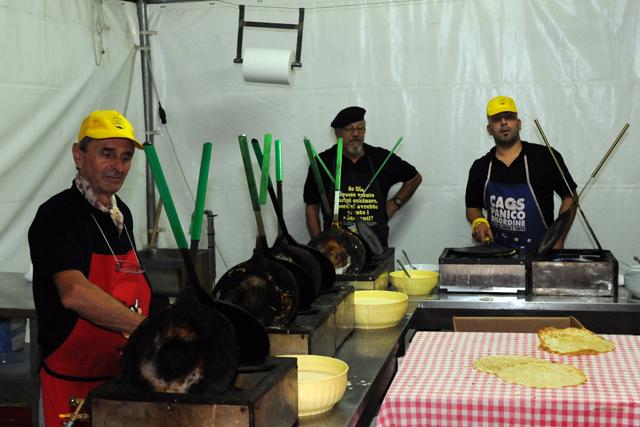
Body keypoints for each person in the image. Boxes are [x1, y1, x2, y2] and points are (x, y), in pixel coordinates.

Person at [28, 110, 151, 426]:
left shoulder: (120, 214)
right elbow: (74, 293)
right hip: (71, 388)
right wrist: (147, 329)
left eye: (125, 157)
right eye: (107, 153)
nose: (118, 166)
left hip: (119, 382)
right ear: (78, 155)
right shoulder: (57, 215)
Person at [465, 96, 577, 253]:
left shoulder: (546, 158)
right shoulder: (480, 167)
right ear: (489, 129)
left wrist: (558, 240)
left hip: (541, 255)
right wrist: (479, 222)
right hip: (497, 256)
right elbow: (472, 207)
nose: (504, 122)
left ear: (519, 123)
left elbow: (570, 197)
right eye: (496, 119)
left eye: (509, 117)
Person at [303, 106, 422, 246]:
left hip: (375, 247)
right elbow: (311, 208)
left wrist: (395, 203)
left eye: (360, 128)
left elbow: (415, 178)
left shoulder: (380, 158)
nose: (355, 134)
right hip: (336, 248)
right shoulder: (322, 163)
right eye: (349, 129)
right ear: (337, 133)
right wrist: (320, 245)